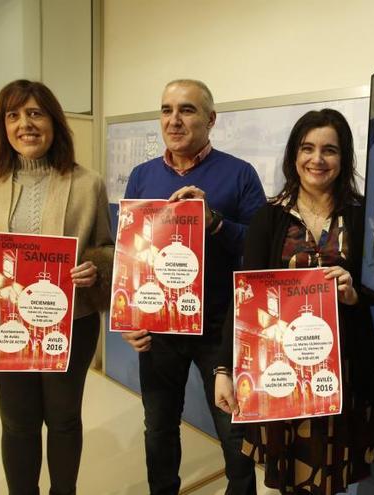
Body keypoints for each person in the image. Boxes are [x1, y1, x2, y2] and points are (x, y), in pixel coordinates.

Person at [0, 79, 114, 495]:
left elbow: (105, 248)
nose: (24, 124)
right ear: (3, 126)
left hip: (70, 322)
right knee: (17, 423)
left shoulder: (88, 182)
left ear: (53, 122)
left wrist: (96, 269)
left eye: (35, 113)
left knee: (65, 419)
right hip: (4, 324)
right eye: (13, 116)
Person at [214, 109, 374, 494]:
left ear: (344, 158)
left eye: (330, 150)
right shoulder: (270, 217)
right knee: (293, 476)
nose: (317, 159)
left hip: (342, 371)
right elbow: (245, 299)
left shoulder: (361, 216)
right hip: (281, 371)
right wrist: (224, 369)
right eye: (307, 148)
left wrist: (356, 292)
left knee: (331, 474)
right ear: (294, 155)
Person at [120, 79, 264, 495]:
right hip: (159, 328)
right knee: (159, 426)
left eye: (187, 110)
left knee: (234, 431)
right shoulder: (142, 176)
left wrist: (214, 220)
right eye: (166, 110)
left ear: (211, 119)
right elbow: (131, 255)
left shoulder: (238, 174)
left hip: (219, 327)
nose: (174, 120)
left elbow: (257, 248)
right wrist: (130, 315)